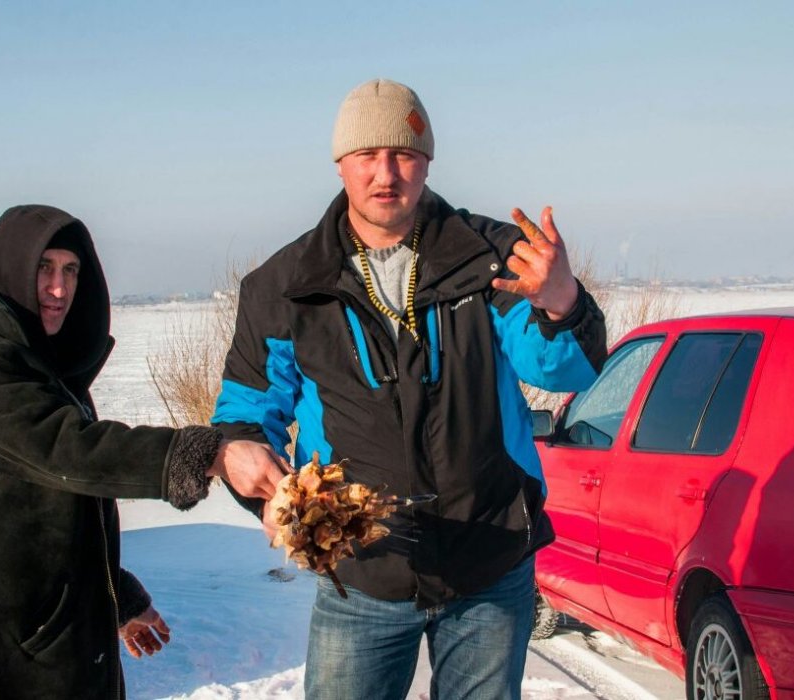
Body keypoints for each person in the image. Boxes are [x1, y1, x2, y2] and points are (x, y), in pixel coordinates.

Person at [212, 79, 608, 699]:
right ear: (341, 163)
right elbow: (244, 414)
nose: (385, 173)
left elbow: (561, 371)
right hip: (361, 572)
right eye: (368, 155)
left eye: (404, 153)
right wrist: (262, 485)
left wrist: (561, 302)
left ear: (426, 162)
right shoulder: (286, 285)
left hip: (489, 559)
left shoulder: (493, 260)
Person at [0, 204, 283, 699]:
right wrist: (209, 453)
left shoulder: (45, 368)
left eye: (71, 270)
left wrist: (113, 595)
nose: (59, 288)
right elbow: (72, 452)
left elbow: (52, 508)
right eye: (44, 268)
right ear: (8, 271)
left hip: (47, 642)